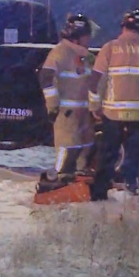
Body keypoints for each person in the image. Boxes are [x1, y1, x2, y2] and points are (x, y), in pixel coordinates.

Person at [87, 9, 139, 200]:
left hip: (112, 114)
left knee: (108, 155)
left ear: (123, 26)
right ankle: (133, 190)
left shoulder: (109, 48)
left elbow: (95, 81)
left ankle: (100, 193)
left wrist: (94, 107)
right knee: (136, 156)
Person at [39, 12, 97, 180]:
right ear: (77, 36)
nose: (89, 39)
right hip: (67, 111)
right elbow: (46, 77)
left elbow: (96, 79)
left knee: (85, 145)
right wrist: (53, 104)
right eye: (87, 36)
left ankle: (79, 177)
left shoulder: (86, 55)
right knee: (68, 146)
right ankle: (58, 180)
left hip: (84, 112)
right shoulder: (60, 52)